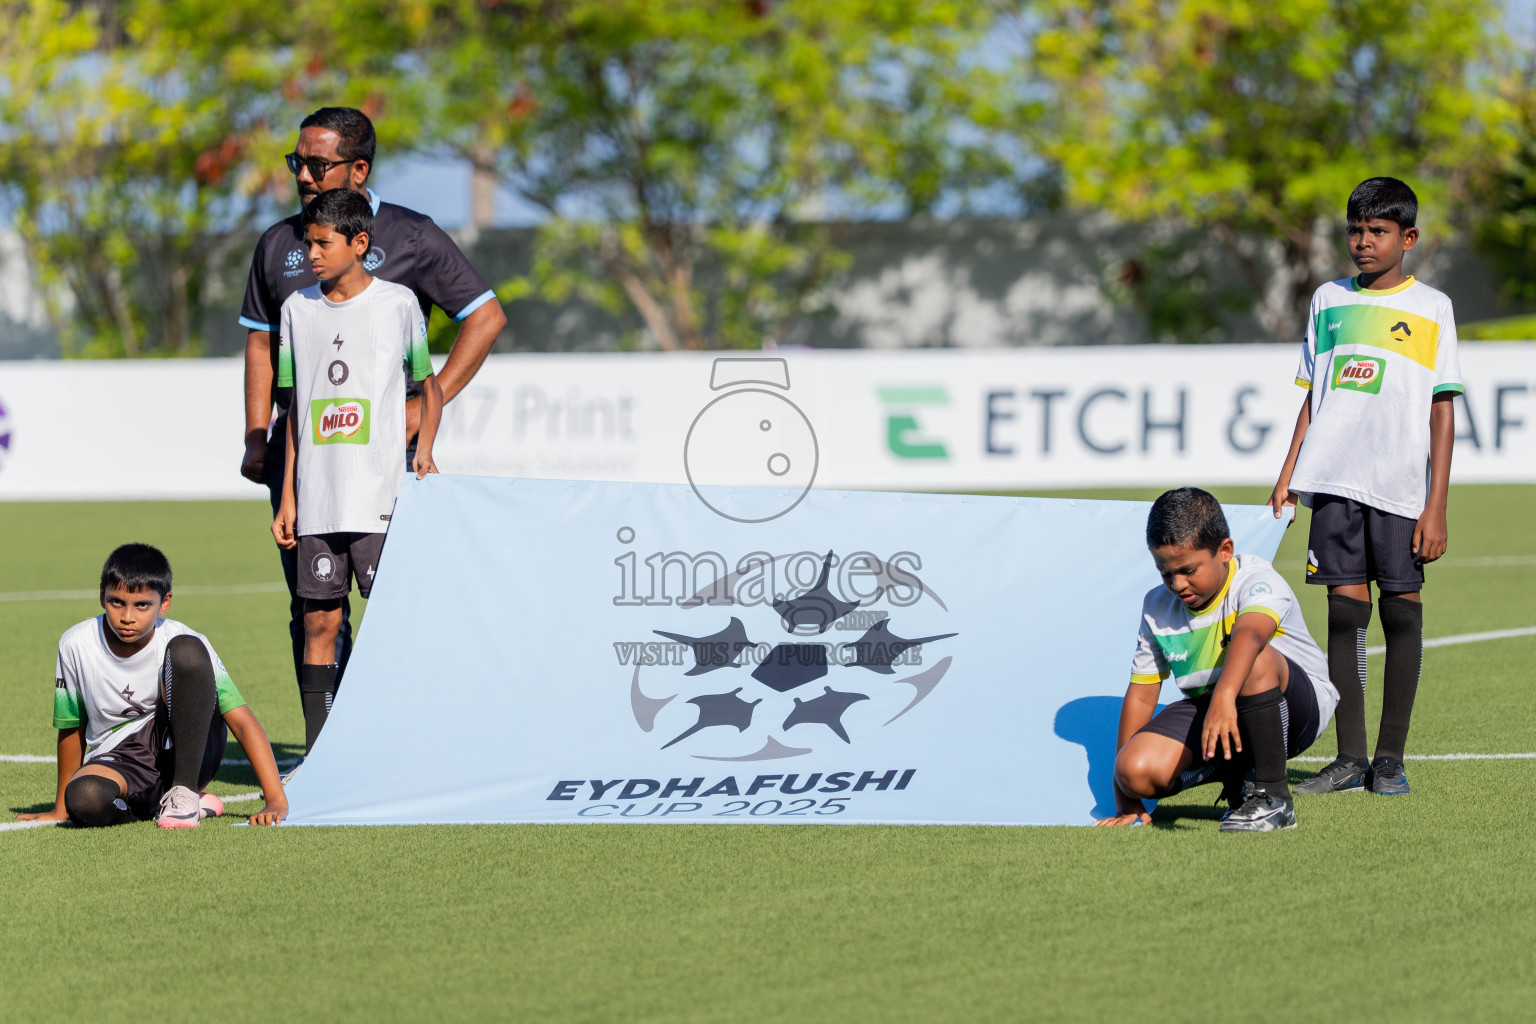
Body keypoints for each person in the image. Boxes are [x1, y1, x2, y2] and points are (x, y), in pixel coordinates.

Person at [238, 106, 506, 690]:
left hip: (386, 460)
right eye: (297, 162)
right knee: (313, 607)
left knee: (397, 602)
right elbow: (261, 345)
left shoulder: (413, 235)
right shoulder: (279, 241)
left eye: (318, 164)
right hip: (305, 456)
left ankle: (404, 737)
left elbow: (485, 317)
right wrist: (257, 435)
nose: (303, 176)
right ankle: (332, 745)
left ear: (359, 169)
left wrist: (417, 413)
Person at [1270, 177, 1461, 797]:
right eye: (1355, 230)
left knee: (1401, 616)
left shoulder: (1432, 306)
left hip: (1400, 489)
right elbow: (1312, 396)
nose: (1363, 241)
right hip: (1332, 482)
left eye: (1377, 231)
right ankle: (1350, 758)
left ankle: (1391, 759)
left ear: (1407, 238)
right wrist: (1288, 478)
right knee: (1345, 616)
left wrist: (1436, 504)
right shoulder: (1327, 299)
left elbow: (1441, 409)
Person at [271, 188, 442, 752]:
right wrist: (290, 498)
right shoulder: (297, 309)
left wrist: (425, 449)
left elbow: (429, 384)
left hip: (381, 496)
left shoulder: (397, 305)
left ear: (360, 243)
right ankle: (320, 753)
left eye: (323, 243)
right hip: (319, 500)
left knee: (398, 621)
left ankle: (410, 740)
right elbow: (295, 409)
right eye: (308, 243)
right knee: (319, 623)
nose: (311, 254)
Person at [1096, 488, 1339, 832]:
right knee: (1135, 770)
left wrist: (1224, 698)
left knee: (1251, 658)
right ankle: (1236, 772)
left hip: (1294, 710)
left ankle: (1273, 798)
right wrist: (1126, 797)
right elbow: (1141, 693)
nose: (1177, 584)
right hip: (1215, 708)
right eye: (1166, 573)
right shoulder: (1156, 606)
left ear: (1225, 551)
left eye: (1188, 570)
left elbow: (1251, 637)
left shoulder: (1257, 581)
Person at [17, 544, 287, 829]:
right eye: (116, 602)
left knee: (187, 651)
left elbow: (242, 721)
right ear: (101, 596)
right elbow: (72, 727)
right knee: (84, 798)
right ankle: (172, 806)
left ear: (165, 602)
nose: (127, 617)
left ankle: (184, 793)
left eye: (142, 605)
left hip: (182, 751)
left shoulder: (182, 636)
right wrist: (62, 808)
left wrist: (276, 800)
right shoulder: (75, 644)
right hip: (118, 758)